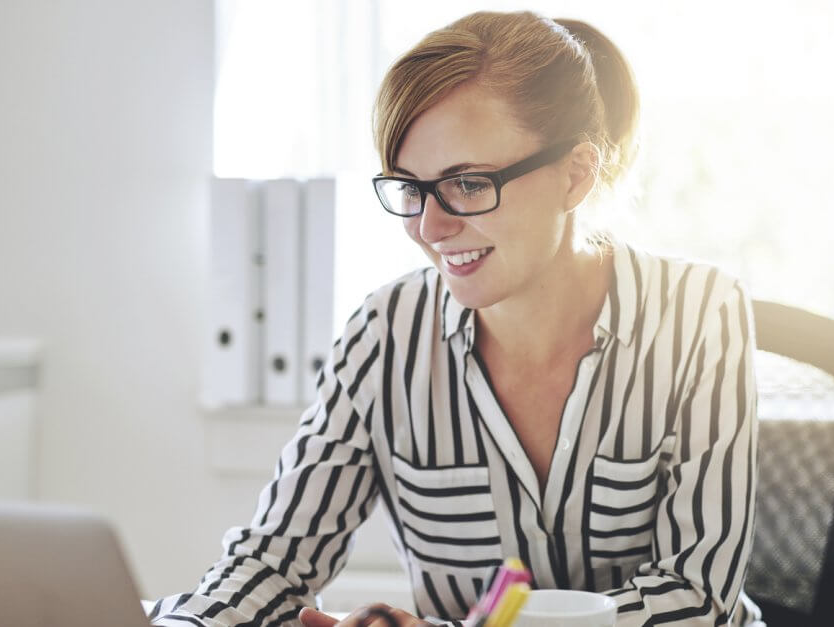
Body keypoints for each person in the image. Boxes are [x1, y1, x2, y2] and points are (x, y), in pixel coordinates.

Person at [149, 10, 757, 627]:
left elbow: (696, 598)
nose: (430, 228)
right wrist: (188, 622)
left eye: (468, 183)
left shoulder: (702, 314)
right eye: (410, 189)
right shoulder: (385, 334)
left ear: (576, 173)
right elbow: (274, 561)